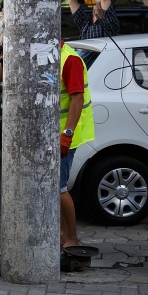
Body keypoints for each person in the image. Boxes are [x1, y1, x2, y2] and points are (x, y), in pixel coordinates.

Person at [59, 40, 95, 271]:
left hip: (65, 135)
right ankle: (64, 236)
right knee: (55, 189)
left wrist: (66, 135)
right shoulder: (52, 55)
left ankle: (72, 238)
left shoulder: (69, 59)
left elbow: (77, 98)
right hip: (55, 135)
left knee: (58, 188)